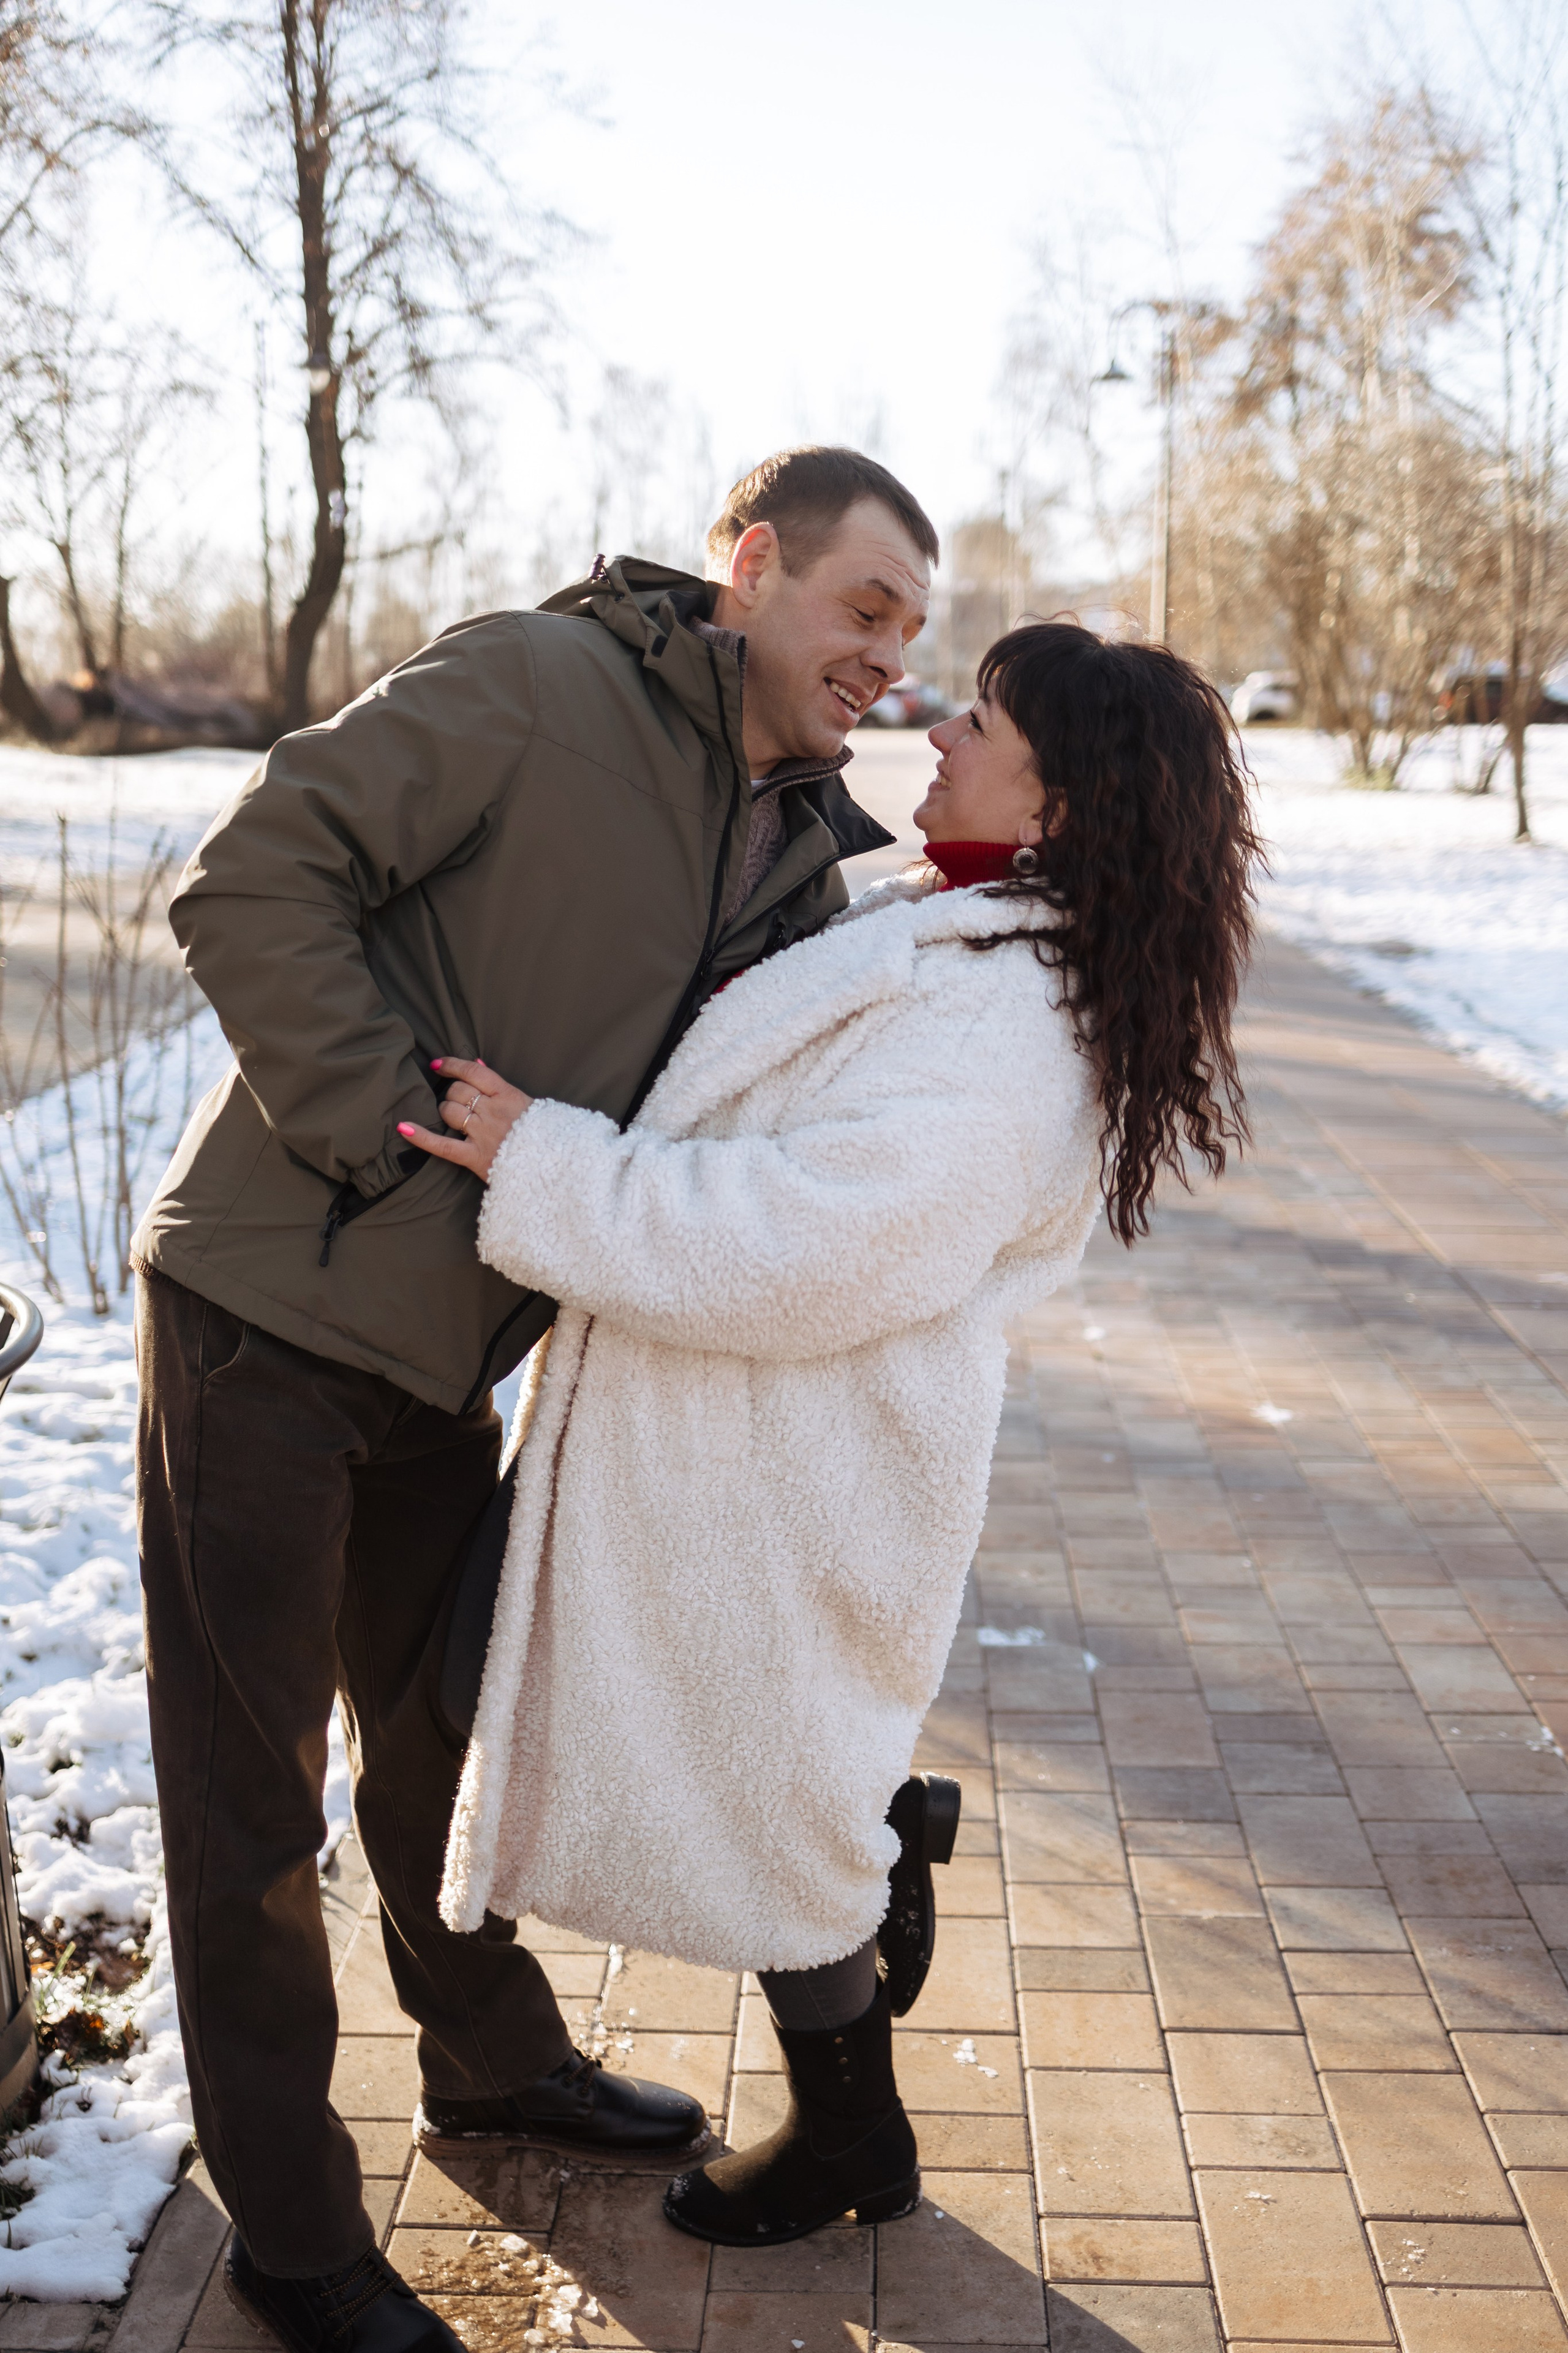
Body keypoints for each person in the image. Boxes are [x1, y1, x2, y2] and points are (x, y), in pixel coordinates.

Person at [131, 448, 937, 2352]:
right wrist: (391, 1155)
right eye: (864, 608)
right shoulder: (538, 684)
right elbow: (251, 880)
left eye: (912, 625)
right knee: (250, 1800)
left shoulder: (804, 852)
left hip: (450, 1350)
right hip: (271, 1298)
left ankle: (487, 2058)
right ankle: (297, 2231)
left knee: (441, 1735)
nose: (888, 657)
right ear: (754, 567)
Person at [401, 619, 1261, 2248]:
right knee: (709, 1753)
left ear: (1062, 801)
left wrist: (551, 1170)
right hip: (732, 1430)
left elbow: (818, 1240)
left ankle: (854, 2072)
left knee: (742, 1774)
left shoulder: (1009, 1021)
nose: (934, 734)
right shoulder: (969, 927)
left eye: (980, 722)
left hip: (786, 1457)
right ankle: (862, 1960)